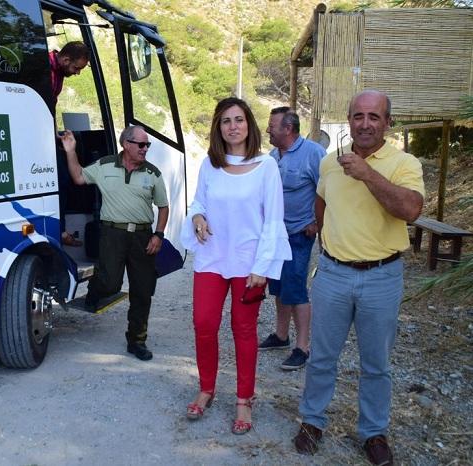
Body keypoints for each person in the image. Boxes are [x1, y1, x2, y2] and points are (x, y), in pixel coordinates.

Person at [293, 90, 424, 465]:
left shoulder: (404, 163)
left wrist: (367, 174)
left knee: (376, 364)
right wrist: (326, 237)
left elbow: (411, 210)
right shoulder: (331, 163)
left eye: (374, 117)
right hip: (333, 273)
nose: (365, 124)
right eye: (358, 116)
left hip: (382, 276)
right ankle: (312, 421)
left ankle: (373, 432)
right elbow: (321, 201)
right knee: (321, 357)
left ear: (387, 122)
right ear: (348, 120)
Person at [180, 97, 291, 434]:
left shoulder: (266, 166)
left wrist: (263, 266)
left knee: (244, 330)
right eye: (226, 121)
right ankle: (207, 387)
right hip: (212, 257)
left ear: (249, 125)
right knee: (203, 323)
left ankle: (244, 398)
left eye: (238, 120)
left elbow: (273, 219)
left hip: (248, 262)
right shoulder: (210, 164)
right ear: (219, 127)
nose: (232, 126)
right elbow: (199, 200)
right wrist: (198, 215)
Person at [60, 125, 168, 361]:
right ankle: (94, 291)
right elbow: (78, 177)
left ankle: (137, 341)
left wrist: (158, 235)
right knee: (109, 284)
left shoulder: (153, 173)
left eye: (147, 145)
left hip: (142, 236)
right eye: (141, 144)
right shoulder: (105, 165)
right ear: (126, 144)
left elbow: (163, 206)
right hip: (112, 235)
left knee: (142, 290)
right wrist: (70, 150)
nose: (145, 149)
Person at [258, 107, 325, 370]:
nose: (268, 130)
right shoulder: (272, 157)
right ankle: (281, 336)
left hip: (300, 234)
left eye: (272, 125)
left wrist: (317, 223)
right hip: (275, 235)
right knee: (279, 287)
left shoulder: (314, 154)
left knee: (296, 290)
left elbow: (329, 191)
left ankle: (303, 347)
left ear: (288, 128)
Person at [49, 41, 91, 247]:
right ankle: (59, 231)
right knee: (63, 179)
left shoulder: (57, 73)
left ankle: (60, 229)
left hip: (45, 133)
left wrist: (54, 133)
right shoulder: (43, 70)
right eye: (77, 68)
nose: (77, 73)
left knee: (64, 178)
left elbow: (49, 107)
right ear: (65, 60)